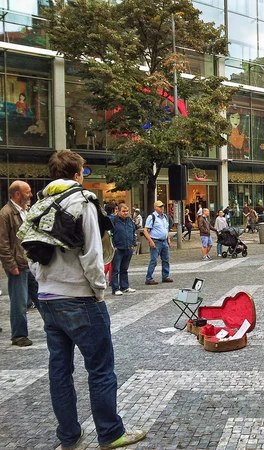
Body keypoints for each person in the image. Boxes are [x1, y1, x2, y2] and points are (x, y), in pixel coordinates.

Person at [30, 150, 146, 449]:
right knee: (101, 368)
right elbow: (93, 255)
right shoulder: (83, 202)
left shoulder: (40, 203)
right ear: (78, 173)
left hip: (47, 298)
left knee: (59, 370)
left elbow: (29, 250)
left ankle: (69, 435)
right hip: (79, 297)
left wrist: (42, 283)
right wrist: (98, 290)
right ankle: (110, 433)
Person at [0, 180, 33, 346]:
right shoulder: (5, 214)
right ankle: (19, 335)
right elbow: (3, 243)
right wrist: (11, 265)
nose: (31, 195)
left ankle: (54, 328)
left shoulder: (25, 211)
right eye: (27, 192)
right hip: (18, 265)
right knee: (19, 303)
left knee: (42, 299)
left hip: (30, 263)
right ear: (17, 194)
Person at [143, 200, 173, 285]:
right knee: (154, 260)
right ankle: (149, 278)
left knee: (166, 260)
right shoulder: (152, 217)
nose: (162, 208)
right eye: (160, 206)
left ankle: (165, 276)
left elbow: (166, 229)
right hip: (156, 241)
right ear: (155, 207)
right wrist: (151, 241)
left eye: (162, 206)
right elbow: (146, 230)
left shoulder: (165, 217)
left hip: (164, 241)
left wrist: (168, 239)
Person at [110, 203, 137, 296]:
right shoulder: (113, 220)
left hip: (128, 247)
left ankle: (124, 286)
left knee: (124, 269)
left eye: (127, 211)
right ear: (118, 211)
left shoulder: (130, 221)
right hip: (118, 248)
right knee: (115, 269)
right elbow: (109, 234)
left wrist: (133, 243)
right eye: (123, 211)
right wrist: (113, 245)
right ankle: (115, 288)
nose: (126, 213)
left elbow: (133, 231)